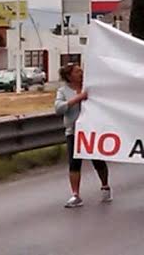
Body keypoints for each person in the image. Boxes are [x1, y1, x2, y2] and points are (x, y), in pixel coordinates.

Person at [54, 64, 111, 208]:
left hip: (91, 130)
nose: (81, 73)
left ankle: (105, 185)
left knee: (97, 160)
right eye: (77, 71)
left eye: (81, 71)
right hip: (73, 132)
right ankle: (75, 194)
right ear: (69, 76)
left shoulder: (89, 87)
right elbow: (59, 108)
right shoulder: (63, 91)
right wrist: (79, 98)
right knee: (74, 163)